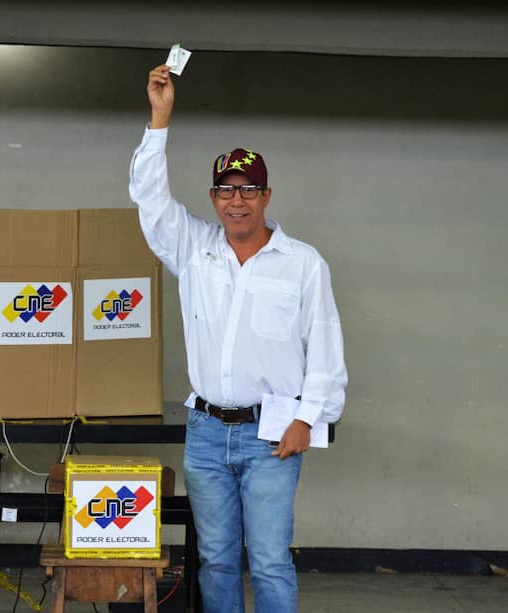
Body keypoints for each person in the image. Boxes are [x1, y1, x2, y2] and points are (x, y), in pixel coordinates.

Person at [129, 64, 348, 613]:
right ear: (213, 196)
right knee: (217, 560)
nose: (237, 201)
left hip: (270, 434)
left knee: (271, 560)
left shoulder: (302, 264)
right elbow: (151, 202)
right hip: (205, 434)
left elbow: (324, 345)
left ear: (266, 194)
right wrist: (160, 119)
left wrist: (309, 417)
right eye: (226, 190)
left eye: (249, 189)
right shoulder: (194, 252)